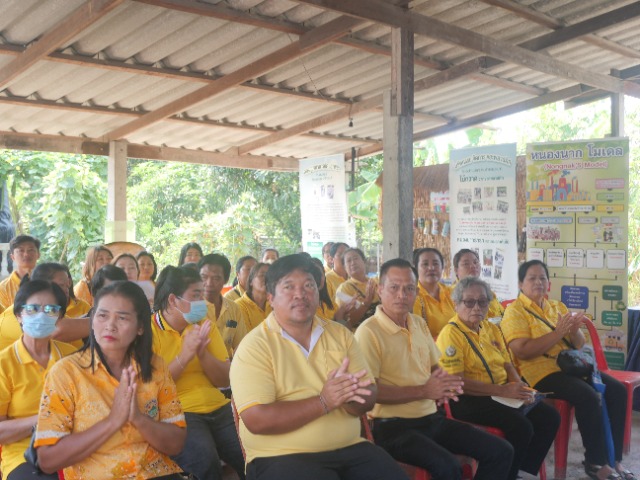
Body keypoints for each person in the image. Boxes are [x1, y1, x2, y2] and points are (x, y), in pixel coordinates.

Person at [229, 254, 407, 480]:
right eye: (288, 287)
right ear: (271, 297)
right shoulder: (254, 346)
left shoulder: (341, 334)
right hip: (281, 456)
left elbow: (369, 394)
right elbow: (257, 420)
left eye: (308, 285)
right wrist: (323, 402)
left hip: (350, 448)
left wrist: (352, 397)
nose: (300, 294)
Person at [355, 258, 513, 480]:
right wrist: (424, 391)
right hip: (393, 427)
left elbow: (434, 368)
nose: (402, 295)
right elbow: (369, 392)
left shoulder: (418, 323)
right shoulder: (368, 332)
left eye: (409, 288)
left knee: (501, 451)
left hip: (431, 418)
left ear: (416, 292)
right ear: (380, 290)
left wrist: (446, 385)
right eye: (394, 287)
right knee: (448, 467)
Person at [34, 281, 186, 479]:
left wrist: (139, 419)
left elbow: (176, 444)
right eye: (102, 316)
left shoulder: (155, 367)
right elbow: (47, 461)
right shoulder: (66, 373)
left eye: (122, 318)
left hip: (156, 473)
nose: (110, 326)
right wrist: (113, 421)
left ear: (140, 326)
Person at [502, 260, 633, 480]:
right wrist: (557, 333)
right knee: (586, 395)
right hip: (539, 374)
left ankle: (615, 460)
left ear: (549, 283)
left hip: (572, 367)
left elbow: (578, 344)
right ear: (520, 284)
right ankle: (595, 462)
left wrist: (573, 330)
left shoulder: (557, 307)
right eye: (532, 278)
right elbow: (522, 351)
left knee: (617, 390)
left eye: (542, 278)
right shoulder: (514, 311)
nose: (538, 282)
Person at [437, 276, 560, 480]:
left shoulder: (491, 328)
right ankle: (507, 474)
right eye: (469, 302)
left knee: (549, 416)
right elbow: (457, 383)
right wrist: (503, 390)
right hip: (468, 398)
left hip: (500, 392)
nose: (477, 307)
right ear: (456, 304)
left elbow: (507, 363)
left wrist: (519, 386)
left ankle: (520, 470)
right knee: (521, 426)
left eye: (482, 301)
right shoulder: (451, 334)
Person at [152, 266, 245, 480]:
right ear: (173, 300)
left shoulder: (204, 325)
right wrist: (184, 356)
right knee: (205, 461)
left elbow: (224, 379)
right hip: (178, 410)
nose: (202, 301)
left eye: (202, 294)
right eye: (196, 295)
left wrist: (203, 354)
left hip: (218, 406)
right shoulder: (149, 331)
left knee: (250, 454)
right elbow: (153, 387)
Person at [0, 279, 76, 480]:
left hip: (75, 448)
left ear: (59, 316)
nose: (41, 315)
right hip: (25, 456)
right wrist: (42, 420)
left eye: (51, 309)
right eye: (32, 309)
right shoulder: (4, 364)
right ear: (19, 315)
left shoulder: (73, 357)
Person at [0, 263, 91, 350]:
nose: (66, 290)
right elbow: (57, 330)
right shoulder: (18, 315)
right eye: (61, 285)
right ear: (41, 284)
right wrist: (98, 321)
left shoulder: (54, 313)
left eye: (67, 285)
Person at [198, 254, 248, 356]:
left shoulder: (234, 308)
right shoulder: (191, 309)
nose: (209, 283)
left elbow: (241, 345)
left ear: (226, 279)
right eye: (204, 277)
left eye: (216, 278)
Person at [412, 248, 456, 338]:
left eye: (435, 264)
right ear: (416, 269)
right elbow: (417, 335)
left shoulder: (451, 292)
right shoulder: (414, 297)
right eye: (425, 264)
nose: (431, 268)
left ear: (442, 267)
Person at [452, 249, 504, 318]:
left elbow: (500, 312)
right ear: (456, 270)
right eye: (466, 264)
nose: (473, 266)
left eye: (475, 262)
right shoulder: (450, 295)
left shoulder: (486, 290)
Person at [335, 248, 379, 329]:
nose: (353, 263)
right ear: (344, 267)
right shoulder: (344, 289)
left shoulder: (376, 282)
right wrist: (367, 302)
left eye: (356, 258)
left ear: (364, 261)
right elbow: (346, 322)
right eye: (349, 261)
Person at [0, 235, 40, 313]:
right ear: (12, 257)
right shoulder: (3, 288)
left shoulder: (49, 281)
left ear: (38, 254)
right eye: (21, 250)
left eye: (31, 250)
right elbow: (3, 316)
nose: (26, 254)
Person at [310, 257, 354, 324]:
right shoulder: (305, 310)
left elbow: (346, 329)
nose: (316, 278)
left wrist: (343, 317)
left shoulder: (332, 306)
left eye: (319, 274)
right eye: (312, 274)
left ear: (324, 275)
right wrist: (339, 319)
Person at [235, 263, 271, 332]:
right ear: (251, 281)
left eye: (270, 276)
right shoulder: (239, 306)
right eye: (262, 275)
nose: (267, 279)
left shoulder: (274, 304)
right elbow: (247, 336)